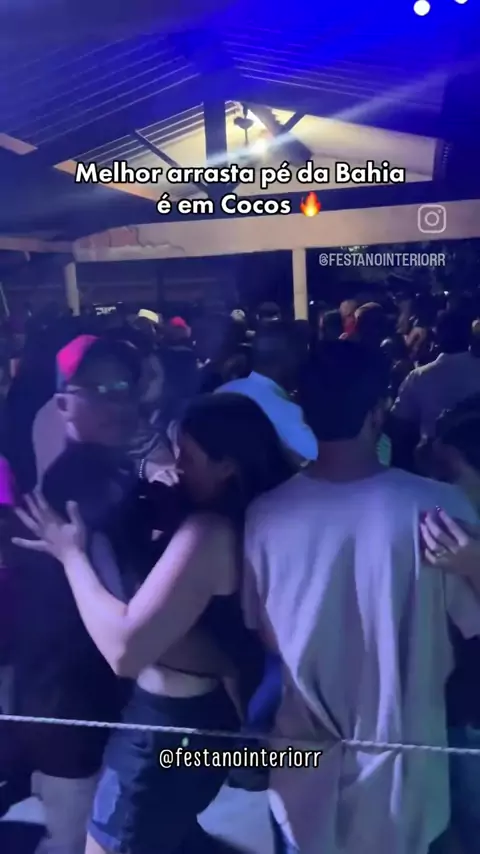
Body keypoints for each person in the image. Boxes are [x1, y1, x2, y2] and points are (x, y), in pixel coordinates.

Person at [15, 393, 296, 854]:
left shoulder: (208, 533)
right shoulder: (258, 516)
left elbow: (124, 651)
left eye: (189, 457)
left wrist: (70, 555)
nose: (177, 466)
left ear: (228, 466)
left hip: (165, 730)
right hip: (205, 723)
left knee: (121, 839)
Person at [242, 340, 480, 854]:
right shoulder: (435, 507)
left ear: (304, 412)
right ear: (377, 413)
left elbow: (268, 635)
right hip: (404, 776)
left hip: (302, 767)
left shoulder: (265, 514)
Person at [9, 334, 144, 854]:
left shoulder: (109, 473)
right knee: (75, 834)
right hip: (72, 707)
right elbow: (125, 610)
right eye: (98, 390)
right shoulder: (77, 488)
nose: (117, 403)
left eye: (124, 387)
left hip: (80, 702)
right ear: (63, 404)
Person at [216, 322, 317, 463]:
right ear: (289, 360)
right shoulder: (286, 412)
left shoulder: (222, 391)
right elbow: (317, 459)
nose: (307, 364)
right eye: (303, 355)